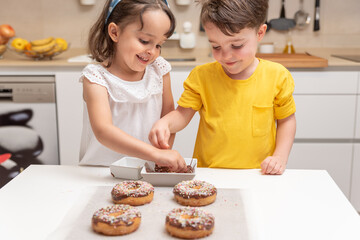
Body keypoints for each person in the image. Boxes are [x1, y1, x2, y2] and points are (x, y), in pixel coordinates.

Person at [149, 0, 296, 175]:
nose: (226, 55)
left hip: (259, 174)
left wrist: (280, 157)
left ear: (260, 33)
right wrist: (165, 123)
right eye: (216, 46)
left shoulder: (277, 76)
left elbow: (286, 120)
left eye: (237, 45)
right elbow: (182, 114)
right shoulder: (202, 77)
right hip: (210, 173)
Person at [79, 0, 187, 172]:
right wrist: (154, 154)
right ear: (115, 32)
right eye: (145, 41)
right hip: (101, 171)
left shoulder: (159, 70)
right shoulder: (96, 77)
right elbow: (103, 131)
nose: (152, 51)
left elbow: (167, 120)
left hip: (146, 171)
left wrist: (162, 155)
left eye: (159, 44)